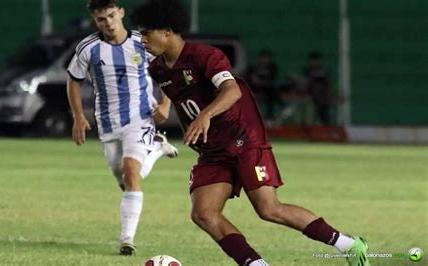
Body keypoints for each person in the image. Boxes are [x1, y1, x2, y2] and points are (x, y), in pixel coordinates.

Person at [130, 0, 369, 265]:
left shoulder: (206, 56)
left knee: (269, 209)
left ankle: (350, 245)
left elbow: (232, 90)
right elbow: (174, 90)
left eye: (146, 33)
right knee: (204, 214)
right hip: (212, 150)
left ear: (167, 31)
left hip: (243, 139)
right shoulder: (157, 68)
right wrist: (166, 106)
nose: (142, 39)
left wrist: (205, 115)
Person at [66, 0, 178, 256]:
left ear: (121, 13)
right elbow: (73, 80)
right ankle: (158, 147)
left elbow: (169, 67)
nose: (108, 23)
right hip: (107, 122)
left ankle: (127, 239)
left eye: (111, 16)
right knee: (125, 181)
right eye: (101, 19)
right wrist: (78, 116)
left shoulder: (143, 41)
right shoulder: (88, 47)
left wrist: (165, 103)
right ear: (95, 21)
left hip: (140, 117)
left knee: (131, 171)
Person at [246, 49, 283, 123]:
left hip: (267, 88)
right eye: (264, 58)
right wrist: (254, 79)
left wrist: (261, 81)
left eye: (267, 58)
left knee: (271, 94)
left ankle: (270, 117)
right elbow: (250, 78)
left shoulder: (273, 67)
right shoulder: (256, 67)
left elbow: (272, 80)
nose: (265, 60)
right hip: (256, 88)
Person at [302, 51, 334, 125]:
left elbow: (329, 85)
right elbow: (305, 83)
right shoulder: (307, 71)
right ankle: (323, 122)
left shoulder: (324, 72)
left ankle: (324, 122)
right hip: (310, 94)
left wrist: (332, 95)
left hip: (322, 97)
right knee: (318, 92)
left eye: (317, 60)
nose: (315, 62)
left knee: (321, 94)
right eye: (313, 60)